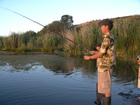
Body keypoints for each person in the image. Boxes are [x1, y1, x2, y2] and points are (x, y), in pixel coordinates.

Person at [84, 19, 116, 105]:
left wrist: (89, 58)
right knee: (104, 88)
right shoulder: (108, 37)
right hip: (104, 67)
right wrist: (94, 52)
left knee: (106, 89)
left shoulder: (108, 38)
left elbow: (101, 54)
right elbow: (104, 52)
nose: (101, 28)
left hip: (106, 67)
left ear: (106, 26)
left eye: (102, 26)